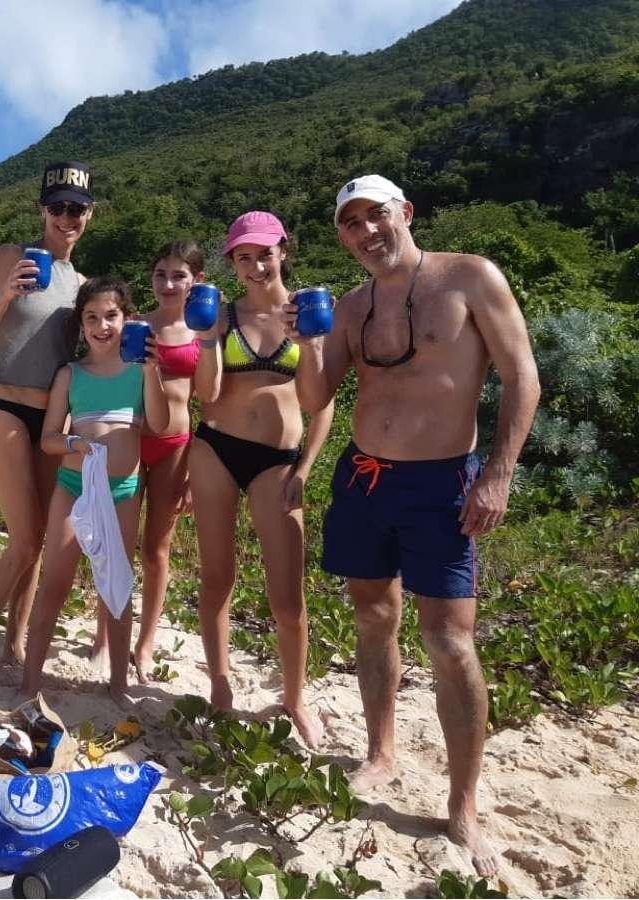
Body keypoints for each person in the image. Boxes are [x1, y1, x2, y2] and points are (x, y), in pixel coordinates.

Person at [288, 174, 540, 877]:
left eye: (376, 216)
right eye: (350, 223)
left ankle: (462, 806)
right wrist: (305, 342)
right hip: (368, 477)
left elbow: (523, 376)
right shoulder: (350, 305)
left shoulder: (469, 278)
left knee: (449, 638)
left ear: (406, 213)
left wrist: (498, 473)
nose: (365, 231)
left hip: (442, 481)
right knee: (374, 616)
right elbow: (317, 395)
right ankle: (381, 752)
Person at [191, 211, 334, 749]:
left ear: (283, 250)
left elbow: (320, 403)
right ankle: (221, 685)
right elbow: (206, 395)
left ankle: (295, 698)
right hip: (214, 449)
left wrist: (305, 467)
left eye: (264, 253)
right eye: (243, 257)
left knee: (287, 593)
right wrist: (206, 339)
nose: (255, 265)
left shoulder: (311, 311)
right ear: (232, 261)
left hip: (279, 460)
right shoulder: (221, 316)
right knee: (216, 577)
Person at [0, 161, 93, 668]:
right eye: (58, 207)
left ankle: (15, 643)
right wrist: (5, 295)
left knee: (37, 542)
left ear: (89, 215)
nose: (67, 217)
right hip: (7, 408)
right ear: (43, 210)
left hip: (53, 423)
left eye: (76, 209)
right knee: (23, 538)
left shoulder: (80, 282)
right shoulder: (10, 257)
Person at [20, 277, 170, 705]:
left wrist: (153, 371)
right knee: (56, 582)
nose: (102, 326)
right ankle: (30, 681)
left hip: (124, 490)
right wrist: (74, 444)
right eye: (92, 318)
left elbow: (158, 425)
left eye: (111, 316)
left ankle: (119, 685)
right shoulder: (71, 374)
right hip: (73, 486)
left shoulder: (139, 372)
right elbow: (50, 438)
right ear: (81, 324)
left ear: (128, 320)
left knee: (116, 585)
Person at [130, 240, 205, 683]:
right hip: (132, 440)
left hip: (177, 444)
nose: (169, 283)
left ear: (196, 280)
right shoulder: (137, 325)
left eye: (179, 275)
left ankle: (146, 640)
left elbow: (209, 403)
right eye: (160, 274)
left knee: (155, 550)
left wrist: (197, 469)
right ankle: (109, 632)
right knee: (117, 545)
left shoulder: (204, 331)